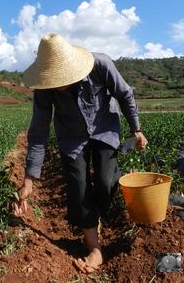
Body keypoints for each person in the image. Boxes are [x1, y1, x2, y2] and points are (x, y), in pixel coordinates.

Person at [13, 33, 147, 273]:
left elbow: (125, 94)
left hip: (105, 128)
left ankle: (97, 216)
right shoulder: (45, 88)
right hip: (71, 137)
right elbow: (39, 131)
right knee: (78, 187)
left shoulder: (101, 65)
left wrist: (136, 130)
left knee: (106, 183)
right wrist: (29, 179)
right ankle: (94, 247)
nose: (58, 83)